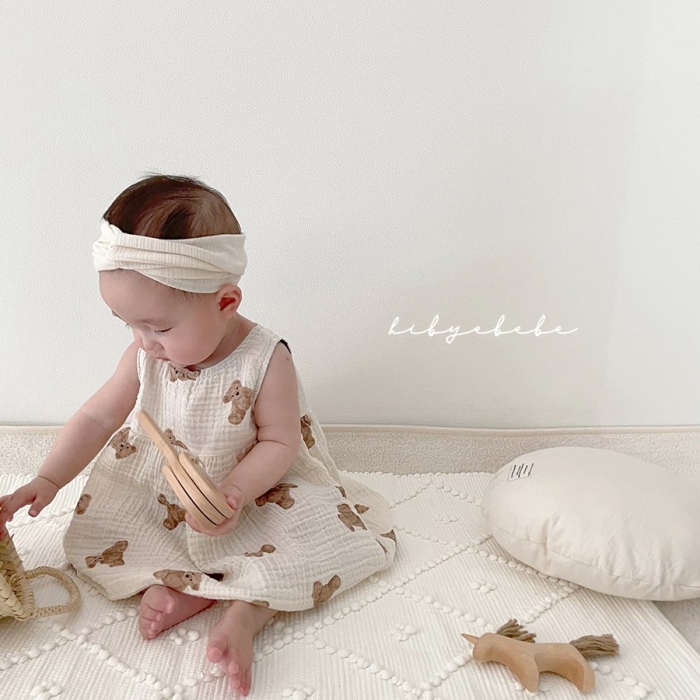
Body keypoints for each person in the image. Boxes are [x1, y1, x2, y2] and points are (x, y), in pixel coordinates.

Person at [0, 174, 397, 697]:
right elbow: (97, 418)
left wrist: (234, 494)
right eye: (128, 325)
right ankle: (192, 591)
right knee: (116, 531)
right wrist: (49, 479)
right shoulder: (145, 354)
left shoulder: (265, 358)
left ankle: (247, 613)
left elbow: (279, 443)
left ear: (225, 302)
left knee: (310, 543)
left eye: (160, 328)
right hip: (166, 492)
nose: (145, 342)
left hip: (254, 493)